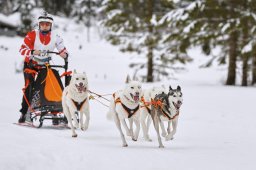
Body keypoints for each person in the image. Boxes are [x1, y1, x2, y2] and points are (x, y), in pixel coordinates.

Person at [18, 11, 68, 124]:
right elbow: (22, 49)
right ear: (39, 25)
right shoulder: (32, 34)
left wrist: (63, 54)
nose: (45, 26)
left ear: (51, 25)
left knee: (51, 85)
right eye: (42, 24)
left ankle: (55, 113)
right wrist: (32, 51)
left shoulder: (56, 36)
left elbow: (63, 49)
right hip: (31, 64)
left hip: (45, 64)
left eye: (47, 24)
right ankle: (24, 113)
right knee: (29, 87)